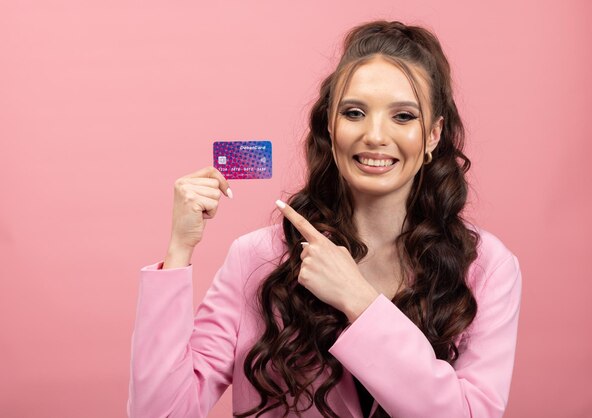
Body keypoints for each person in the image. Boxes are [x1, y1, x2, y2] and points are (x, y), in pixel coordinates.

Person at [127, 19, 522, 418]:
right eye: (354, 113)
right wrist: (179, 250)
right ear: (330, 126)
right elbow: (160, 412)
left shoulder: (487, 266)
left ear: (433, 135)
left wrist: (360, 302)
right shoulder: (257, 258)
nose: (375, 135)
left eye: (403, 116)